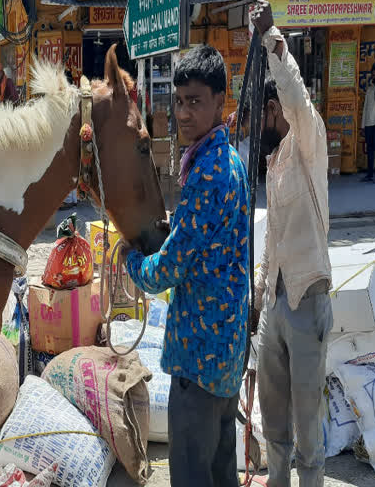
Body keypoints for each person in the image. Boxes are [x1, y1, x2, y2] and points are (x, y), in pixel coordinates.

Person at [123, 45, 250, 487]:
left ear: (220, 101)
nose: (183, 113)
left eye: (195, 101)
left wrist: (132, 260)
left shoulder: (208, 172)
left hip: (199, 357)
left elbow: (167, 271)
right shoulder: (229, 160)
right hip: (226, 354)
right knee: (220, 471)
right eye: (178, 102)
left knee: (193, 474)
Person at [250, 0, 333, 487]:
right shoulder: (275, 161)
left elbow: (297, 96)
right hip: (278, 308)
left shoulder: (309, 142)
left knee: (308, 439)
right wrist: (260, 301)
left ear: (274, 111)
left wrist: (271, 36)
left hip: (308, 303)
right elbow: (272, 239)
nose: (254, 125)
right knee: (274, 430)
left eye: (260, 115)